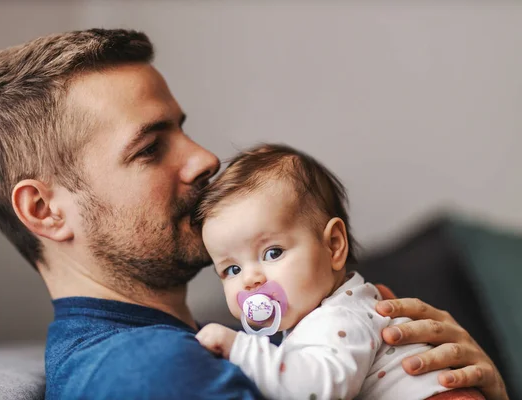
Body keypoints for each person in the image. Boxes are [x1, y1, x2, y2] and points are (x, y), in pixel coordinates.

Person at [0, 28, 507, 399]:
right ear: (44, 211)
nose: (205, 159)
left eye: (181, 128)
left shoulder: (227, 336)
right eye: (149, 148)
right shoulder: (147, 373)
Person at [194, 143, 485, 399]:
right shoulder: (320, 317)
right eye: (231, 269)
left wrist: (240, 350)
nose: (250, 279)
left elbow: (321, 389)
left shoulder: (339, 316)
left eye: (272, 253)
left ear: (333, 246)